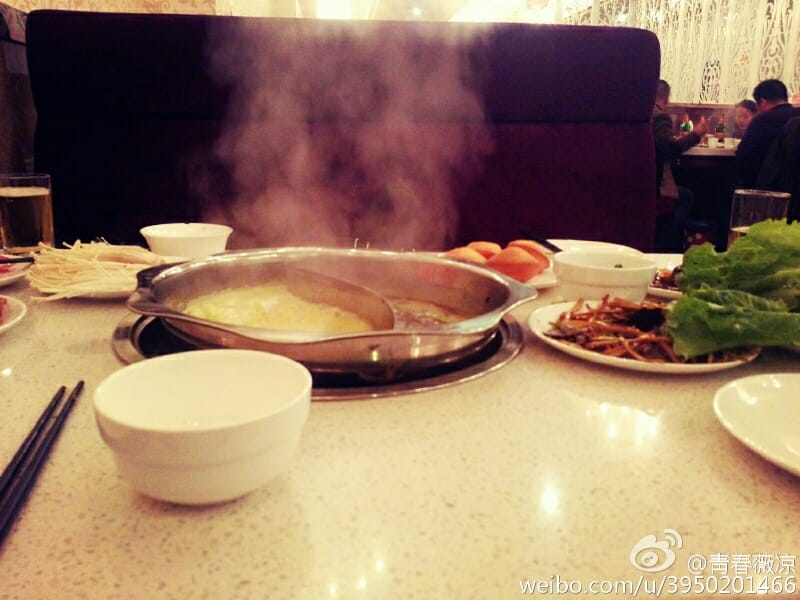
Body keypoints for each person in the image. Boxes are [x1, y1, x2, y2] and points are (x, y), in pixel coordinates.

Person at [652, 79, 707, 250]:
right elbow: (670, 148)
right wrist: (696, 134)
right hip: (654, 187)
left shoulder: (636, 113)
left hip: (632, 183)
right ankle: (670, 247)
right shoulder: (659, 116)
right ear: (666, 98)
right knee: (686, 197)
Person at [734, 79, 800, 187]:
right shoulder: (797, 115)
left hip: (767, 186)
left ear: (762, 102)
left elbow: (743, 155)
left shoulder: (762, 120)